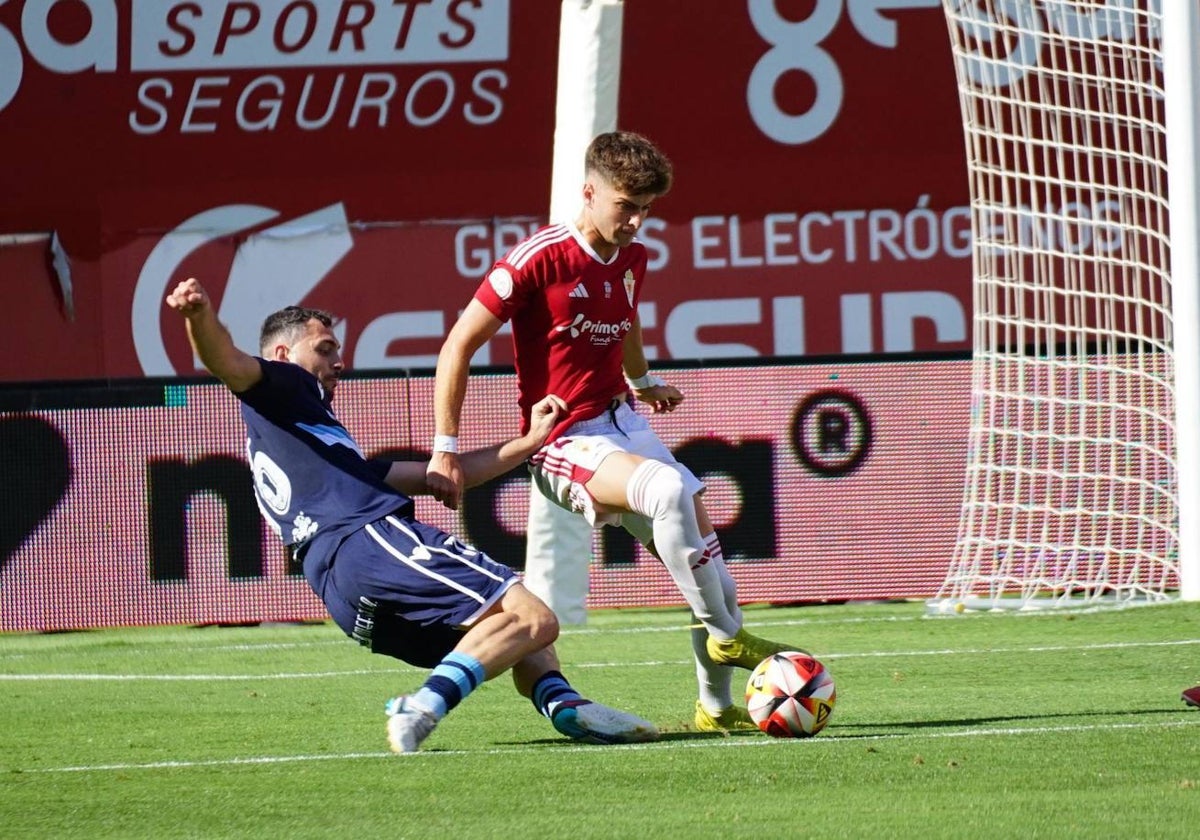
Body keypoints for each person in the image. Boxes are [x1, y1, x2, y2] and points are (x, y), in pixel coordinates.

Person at [165, 277, 658, 753]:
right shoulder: (285, 385)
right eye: (325, 349)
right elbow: (225, 361)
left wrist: (529, 442)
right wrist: (199, 316)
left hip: (343, 592)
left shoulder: (314, 443)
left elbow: (441, 476)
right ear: (283, 356)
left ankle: (565, 706)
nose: (338, 362)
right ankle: (422, 705)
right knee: (534, 616)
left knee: (512, 635)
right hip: (368, 542)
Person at [427, 130, 805, 734]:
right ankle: (729, 640)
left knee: (713, 576)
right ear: (589, 191)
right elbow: (457, 345)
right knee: (668, 492)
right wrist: (446, 446)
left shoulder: (633, 259)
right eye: (625, 206)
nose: (635, 221)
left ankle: (714, 708)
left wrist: (645, 378)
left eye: (646, 210)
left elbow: (623, 320)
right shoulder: (536, 258)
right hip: (562, 438)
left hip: (622, 420)